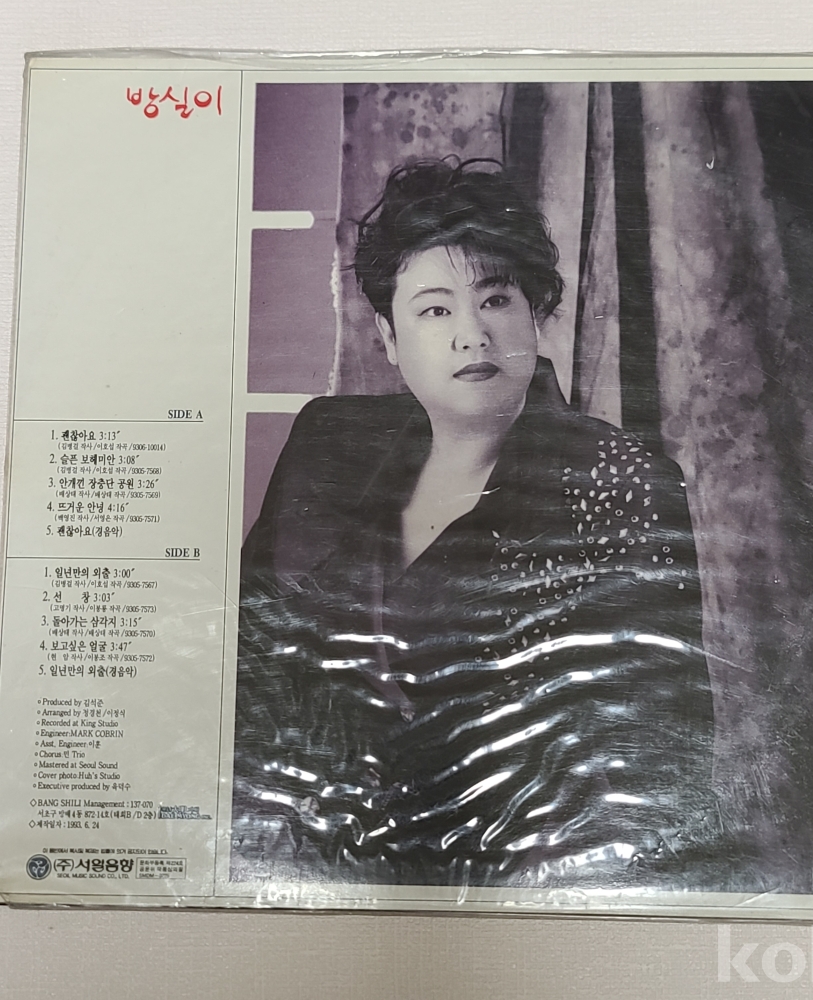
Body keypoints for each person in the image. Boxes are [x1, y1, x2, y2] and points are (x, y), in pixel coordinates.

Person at [232, 159, 715, 888]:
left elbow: (654, 750)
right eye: (434, 310)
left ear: (533, 317)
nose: (472, 335)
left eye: (495, 300)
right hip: (305, 860)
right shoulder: (329, 443)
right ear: (389, 337)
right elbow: (247, 666)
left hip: (503, 877)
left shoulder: (620, 481)